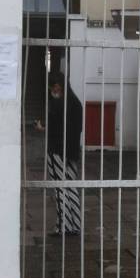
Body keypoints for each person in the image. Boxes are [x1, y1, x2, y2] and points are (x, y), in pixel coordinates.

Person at [35, 71, 84, 235]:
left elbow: (55, 128)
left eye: (56, 88)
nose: (54, 91)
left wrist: (43, 127)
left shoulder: (58, 104)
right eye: (53, 88)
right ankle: (75, 223)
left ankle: (63, 225)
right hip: (72, 151)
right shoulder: (76, 102)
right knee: (71, 185)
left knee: (59, 187)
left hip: (57, 151)